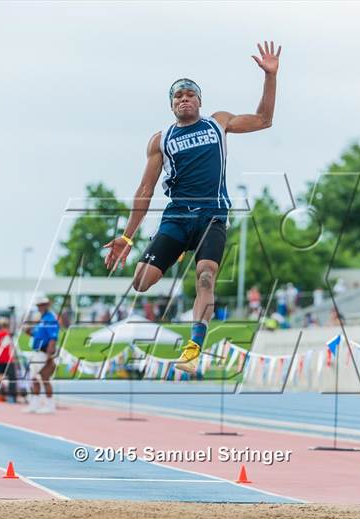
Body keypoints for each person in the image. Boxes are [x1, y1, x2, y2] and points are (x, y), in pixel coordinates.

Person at [104, 41, 281, 374]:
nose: (184, 99)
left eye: (190, 95)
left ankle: (193, 346)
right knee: (141, 281)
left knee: (205, 278)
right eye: (177, 97)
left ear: (200, 101)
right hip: (176, 217)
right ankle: (179, 249)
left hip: (211, 215)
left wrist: (270, 77)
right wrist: (126, 238)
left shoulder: (218, 123)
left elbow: (264, 119)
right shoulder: (162, 139)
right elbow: (145, 189)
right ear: (172, 106)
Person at [23, 296, 59, 413]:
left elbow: (53, 339)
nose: (40, 307)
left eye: (42, 305)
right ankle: (35, 404)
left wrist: (49, 356)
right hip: (36, 352)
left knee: (45, 378)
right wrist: (31, 327)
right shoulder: (41, 319)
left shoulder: (50, 319)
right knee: (34, 379)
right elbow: (34, 334)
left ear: (47, 305)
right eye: (39, 305)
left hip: (44, 352)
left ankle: (50, 406)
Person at [0, 317, 17, 403]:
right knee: (12, 378)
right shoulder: (9, 334)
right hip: (9, 360)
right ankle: (12, 397)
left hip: (0, 359)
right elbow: (13, 347)